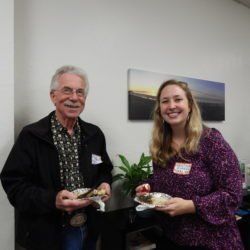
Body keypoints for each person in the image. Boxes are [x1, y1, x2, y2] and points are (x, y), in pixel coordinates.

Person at [0, 65, 113, 250]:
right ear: (53, 96)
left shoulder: (95, 134)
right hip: (48, 234)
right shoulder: (31, 136)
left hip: (89, 226)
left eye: (80, 92)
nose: (74, 98)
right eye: (67, 90)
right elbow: (14, 184)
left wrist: (104, 183)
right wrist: (53, 199)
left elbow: (104, 169)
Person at [135, 80, 243, 250]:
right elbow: (167, 182)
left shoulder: (211, 141)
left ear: (190, 105)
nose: (171, 106)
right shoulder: (159, 146)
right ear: (159, 109)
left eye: (178, 99)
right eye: (165, 101)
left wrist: (192, 206)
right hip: (172, 238)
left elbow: (233, 195)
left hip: (213, 241)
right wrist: (150, 186)